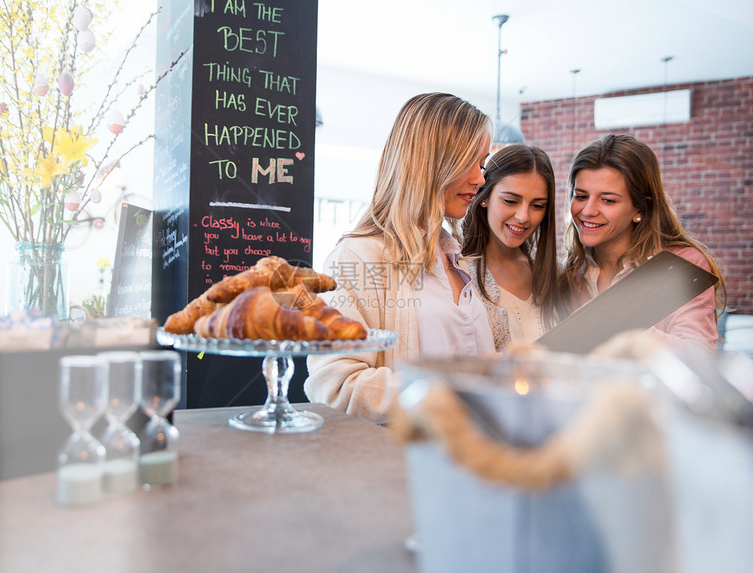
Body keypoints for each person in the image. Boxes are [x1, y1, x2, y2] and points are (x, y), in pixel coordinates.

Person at [304, 93, 494, 423]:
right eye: (469, 162)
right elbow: (337, 386)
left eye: (482, 164)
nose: (480, 179)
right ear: (429, 161)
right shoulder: (358, 258)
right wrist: (455, 395)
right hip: (400, 465)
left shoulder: (456, 259)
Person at [561, 133, 725, 349]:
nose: (588, 211)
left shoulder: (680, 266)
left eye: (608, 200)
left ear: (641, 207)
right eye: (580, 196)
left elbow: (699, 355)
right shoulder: (571, 273)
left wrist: (612, 326)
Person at [460, 144, 560, 349]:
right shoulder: (460, 274)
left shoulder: (556, 274)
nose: (523, 217)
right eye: (510, 201)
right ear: (484, 196)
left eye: (538, 205)